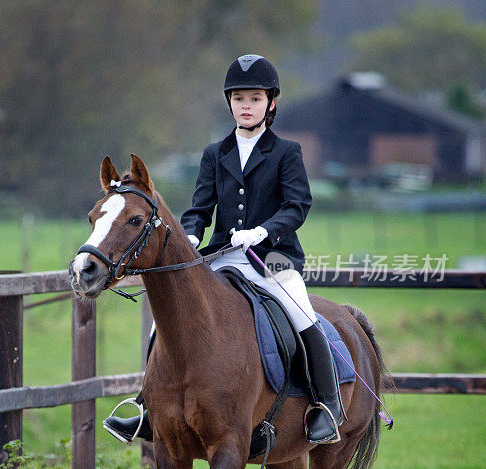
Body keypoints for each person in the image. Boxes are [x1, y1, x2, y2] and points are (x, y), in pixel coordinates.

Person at [102, 54, 344, 446]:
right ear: (229, 103)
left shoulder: (287, 152)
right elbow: (199, 208)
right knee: (162, 320)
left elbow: (297, 206)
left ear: (271, 103)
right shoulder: (215, 154)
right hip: (221, 255)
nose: (246, 106)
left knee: (301, 312)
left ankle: (325, 407)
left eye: (254, 98)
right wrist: (193, 235)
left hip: (275, 255)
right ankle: (147, 407)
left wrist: (262, 231)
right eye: (238, 99)